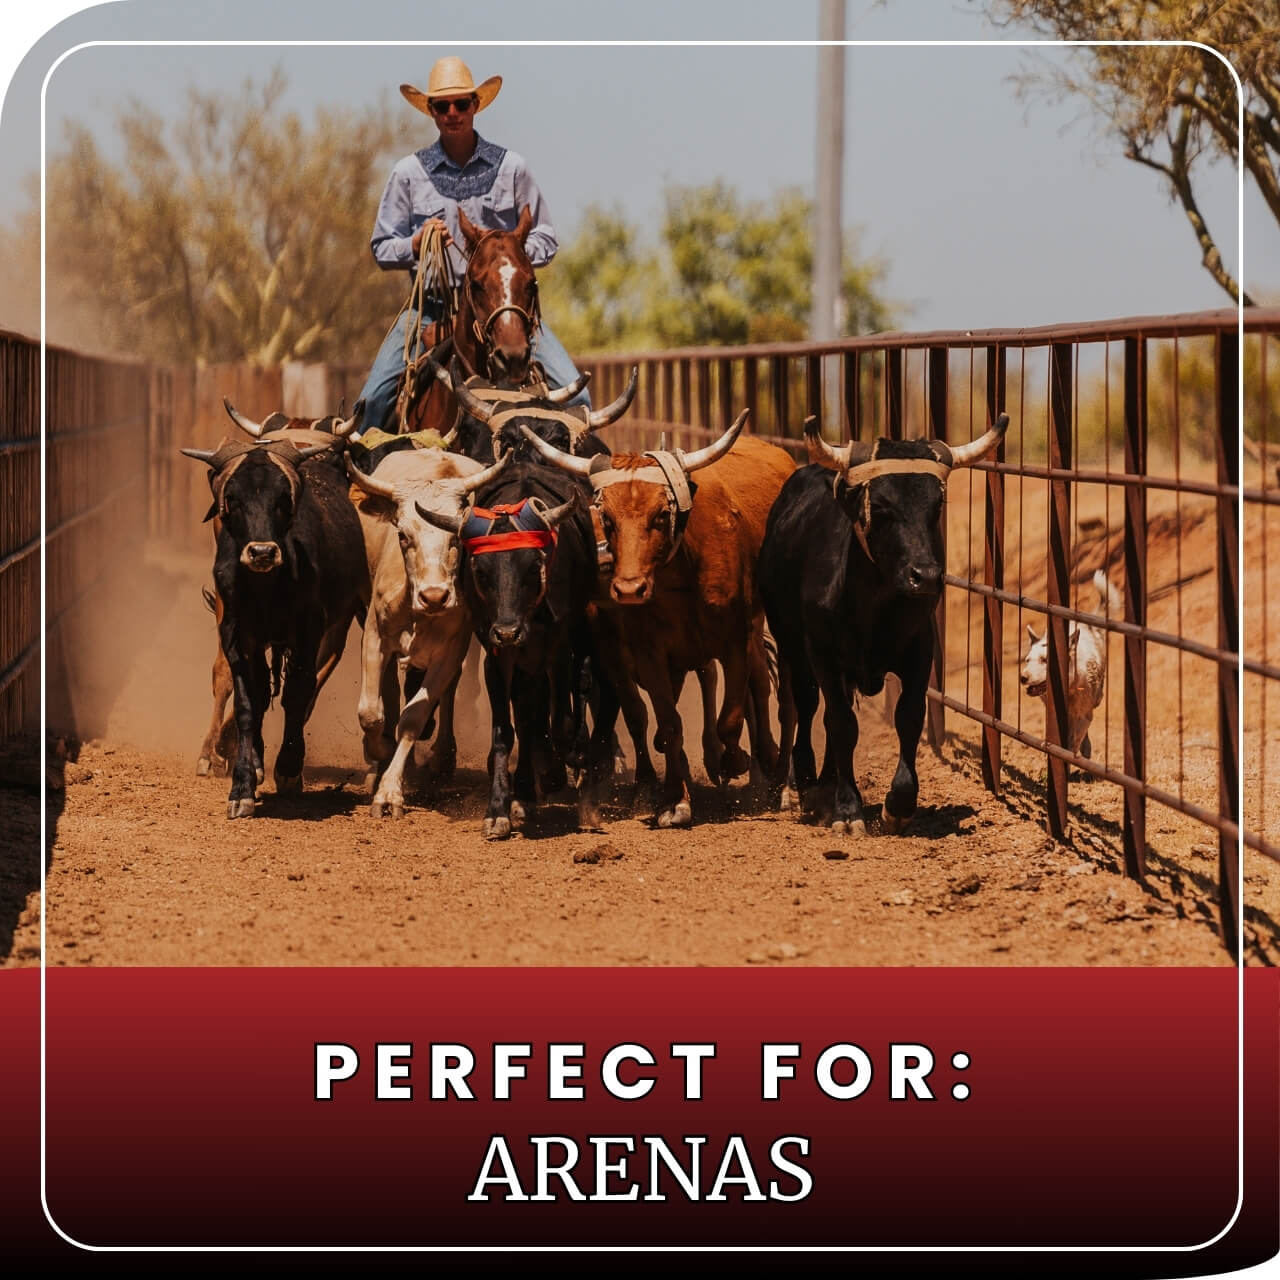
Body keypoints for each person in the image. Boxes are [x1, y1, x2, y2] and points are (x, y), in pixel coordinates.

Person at [356, 55, 589, 433]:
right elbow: (382, 247)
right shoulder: (408, 174)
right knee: (371, 404)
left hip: (505, 308)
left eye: (461, 103)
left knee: (578, 398)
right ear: (430, 111)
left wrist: (505, 257)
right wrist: (416, 244)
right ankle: (363, 484)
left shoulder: (512, 168)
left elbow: (546, 237)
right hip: (430, 309)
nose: (452, 112)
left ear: (476, 105)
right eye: (442, 105)